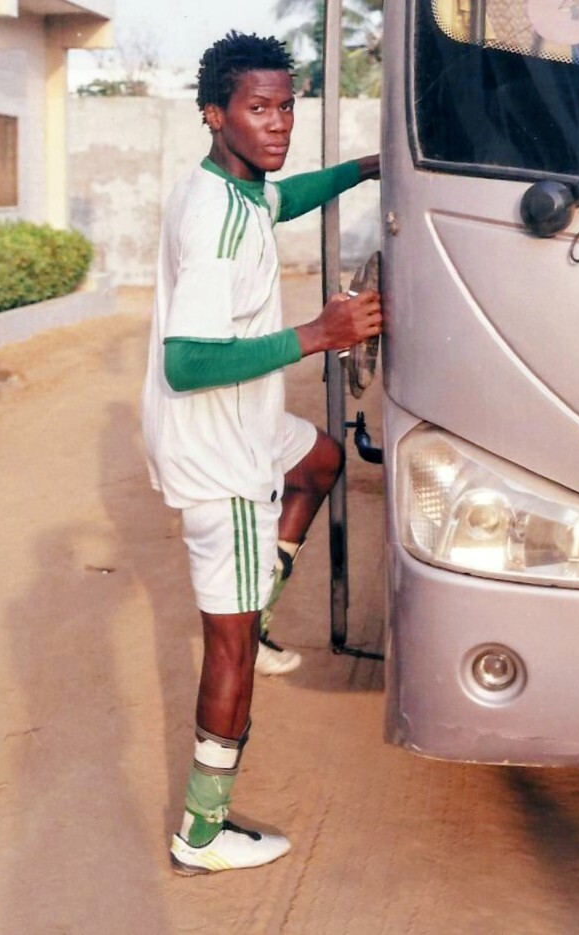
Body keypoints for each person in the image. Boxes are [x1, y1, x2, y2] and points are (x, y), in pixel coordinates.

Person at [141, 31, 382, 875]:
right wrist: (320, 332)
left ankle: (259, 610)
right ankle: (203, 832)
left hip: (244, 425)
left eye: (286, 107)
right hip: (221, 454)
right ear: (214, 114)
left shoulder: (233, 187)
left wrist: (362, 169)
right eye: (258, 108)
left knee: (319, 460)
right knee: (230, 649)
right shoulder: (215, 224)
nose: (278, 123)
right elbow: (187, 361)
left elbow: (285, 197)